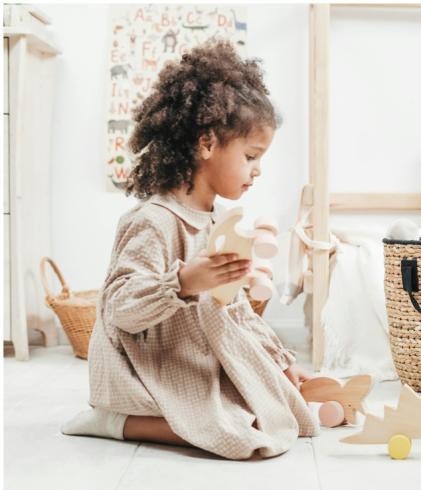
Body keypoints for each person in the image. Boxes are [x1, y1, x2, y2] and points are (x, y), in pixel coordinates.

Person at [61, 40, 318, 459]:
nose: (258, 170)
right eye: (251, 156)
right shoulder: (154, 220)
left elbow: (233, 311)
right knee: (241, 435)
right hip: (145, 367)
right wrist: (182, 282)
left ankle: (208, 407)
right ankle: (115, 421)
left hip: (187, 359)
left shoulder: (217, 223)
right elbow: (120, 308)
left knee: (278, 409)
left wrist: (279, 362)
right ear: (206, 144)